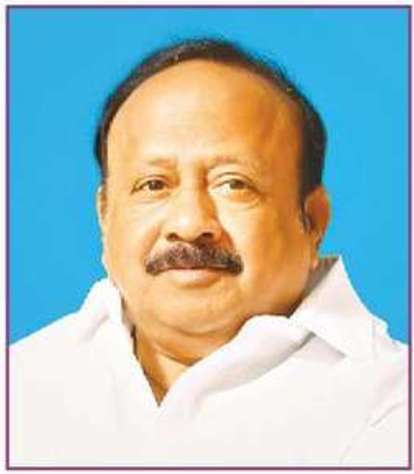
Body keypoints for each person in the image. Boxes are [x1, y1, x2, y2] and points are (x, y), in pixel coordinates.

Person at [10, 39, 408, 467]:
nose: (189, 224)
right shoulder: (21, 389)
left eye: (234, 183)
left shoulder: (392, 406)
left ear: (312, 220)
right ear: (105, 217)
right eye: (153, 185)